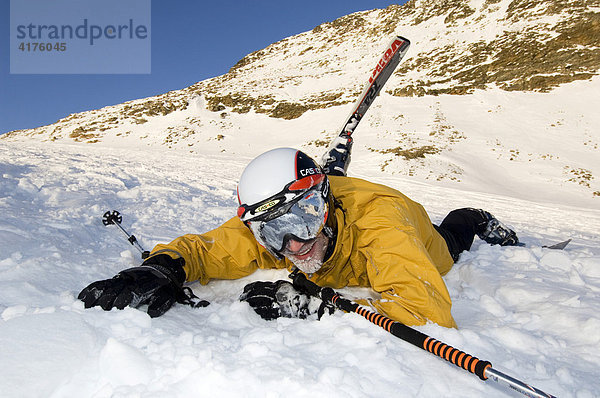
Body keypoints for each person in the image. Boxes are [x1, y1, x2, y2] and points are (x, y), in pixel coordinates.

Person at [78, 147, 518, 328]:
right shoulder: (272, 223)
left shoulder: (380, 224)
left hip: (426, 242)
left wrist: (316, 304)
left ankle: (478, 218)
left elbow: (427, 307)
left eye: (305, 218)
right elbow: (207, 249)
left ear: (325, 204)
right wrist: (161, 266)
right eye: (273, 231)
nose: (294, 244)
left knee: (453, 238)